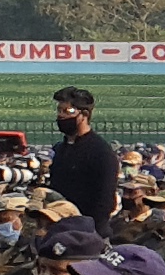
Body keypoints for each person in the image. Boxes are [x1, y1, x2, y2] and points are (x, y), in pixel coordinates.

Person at [45, 86, 120, 227]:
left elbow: (105, 200)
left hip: (87, 229)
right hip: (59, 223)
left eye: (68, 111)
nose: (61, 115)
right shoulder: (61, 148)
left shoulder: (100, 151)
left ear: (84, 115)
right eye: (59, 110)